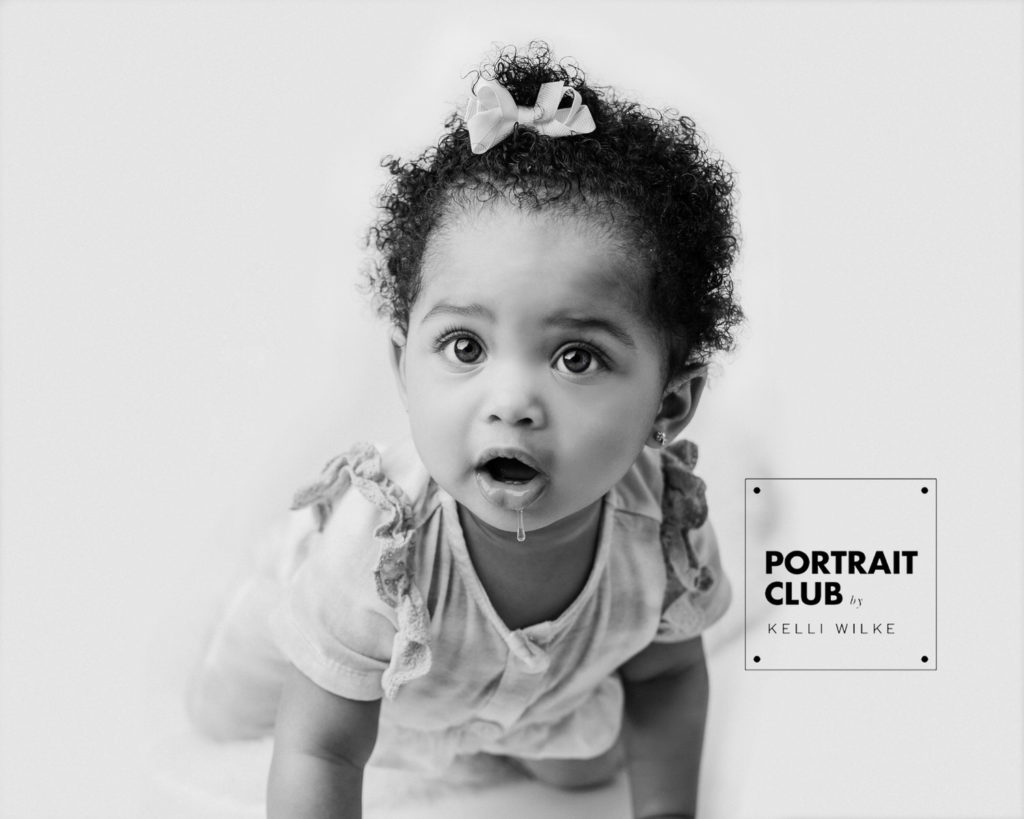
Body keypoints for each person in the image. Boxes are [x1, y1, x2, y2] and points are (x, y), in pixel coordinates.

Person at [188, 42, 742, 819]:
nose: (510, 401)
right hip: (349, 670)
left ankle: (506, 730)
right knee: (225, 718)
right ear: (402, 365)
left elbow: (666, 679)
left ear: (670, 406)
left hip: (529, 693)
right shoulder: (377, 549)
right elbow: (322, 746)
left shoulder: (664, 533)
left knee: (585, 768)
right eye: (465, 348)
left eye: (577, 357)